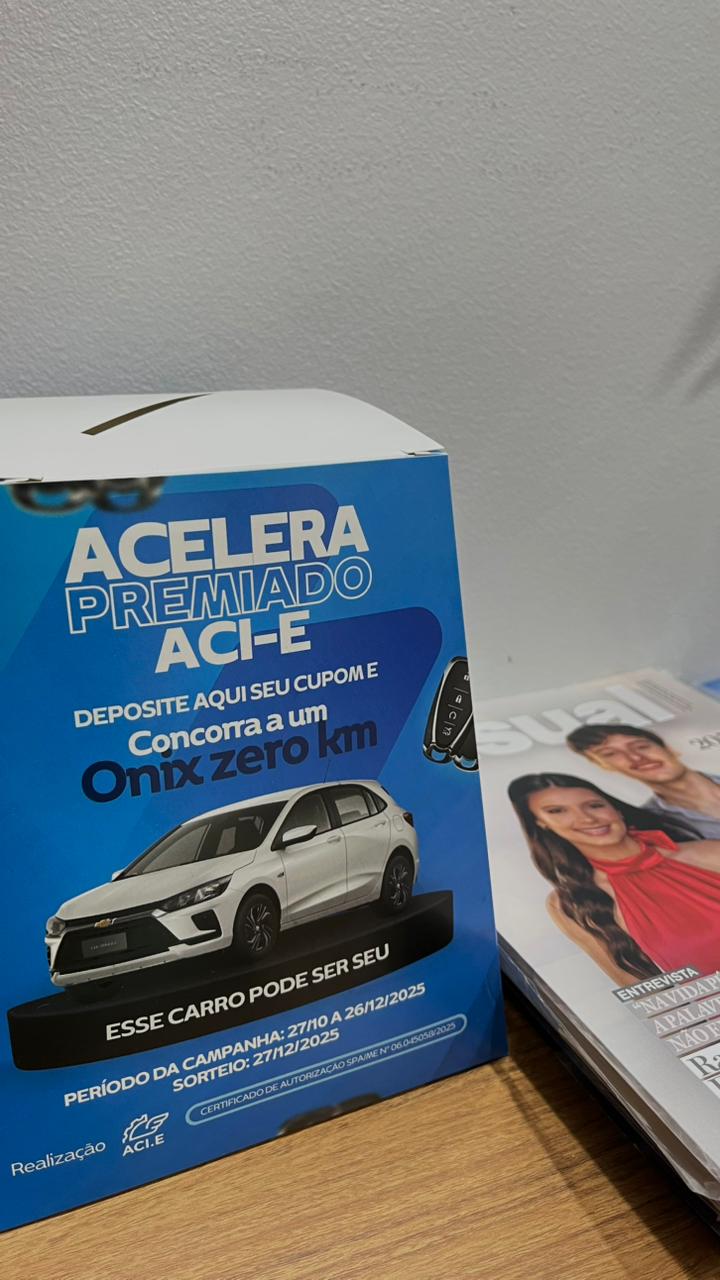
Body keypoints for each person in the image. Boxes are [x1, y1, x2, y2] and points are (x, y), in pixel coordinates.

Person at [508, 772, 720, 985]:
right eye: (557, 811)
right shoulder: (571, 902)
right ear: (540, 823)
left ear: (616, 809)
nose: (587, 818)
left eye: (595, 805)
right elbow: (638, 988)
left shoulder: (709, 853)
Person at [566, 723, 720, 839]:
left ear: (670, 749)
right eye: (610, 754)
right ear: (604, 766)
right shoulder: (651, 826)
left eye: (641, 746)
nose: (636, 757)